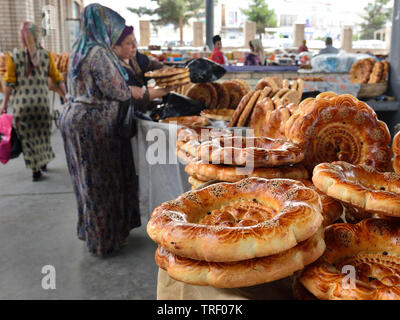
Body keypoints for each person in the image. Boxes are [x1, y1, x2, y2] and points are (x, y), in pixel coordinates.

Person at [59, 4, 142, 256]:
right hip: (94, 127)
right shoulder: (98, 53)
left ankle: (91, 231)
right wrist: (137, 92)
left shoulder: (77, 50)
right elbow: (118, 90)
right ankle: (105, 239)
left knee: (86, 182)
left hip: (74, 120)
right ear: (103, 26)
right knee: (103, 181)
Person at [0, 22, 66, 181]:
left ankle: (35, 170)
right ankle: (42, 162)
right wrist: (66, 96)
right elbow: (57, 78)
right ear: (37, 37)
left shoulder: (14, 56)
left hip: (22, 107)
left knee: (28, 138)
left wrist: (4, 103)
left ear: (22, 38)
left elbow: (9, 83)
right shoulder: (46, 56)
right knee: (42, 135)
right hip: (41, 105)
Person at [114, 28, 179, 112]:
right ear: (115, 47)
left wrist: (169, 71)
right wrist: (165, 90)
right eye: (129, 43)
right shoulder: (113, 68)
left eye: (135, 41)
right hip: (127, 113)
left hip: (142, 108)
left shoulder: (134, 57)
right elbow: (135, 97)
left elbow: (152, 65)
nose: (135, 46)